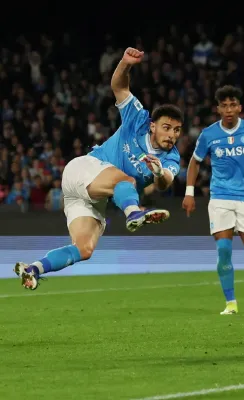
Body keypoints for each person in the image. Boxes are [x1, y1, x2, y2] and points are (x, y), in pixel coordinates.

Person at [14, 47, 183, 290]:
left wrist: (158, 173)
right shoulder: (138, 119)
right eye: (167, 128)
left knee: (84, 249)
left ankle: (34, 269)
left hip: (92, 197)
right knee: (127, 181)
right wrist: (125, 63)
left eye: (177, 130)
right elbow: (119, 87)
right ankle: (133, 212)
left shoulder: (171, 157)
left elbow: (166, 181)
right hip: (85, 169)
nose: (172, 135)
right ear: (153, 126)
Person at [182, 85, 244, 315]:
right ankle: (231, 303)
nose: (229, 109)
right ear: (218, 109)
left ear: (239, 107)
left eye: (233, 105)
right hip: (220, 197)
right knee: (223, 249)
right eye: (224, 106)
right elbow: (194, 162)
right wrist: (189, 193)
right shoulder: (209, 134)